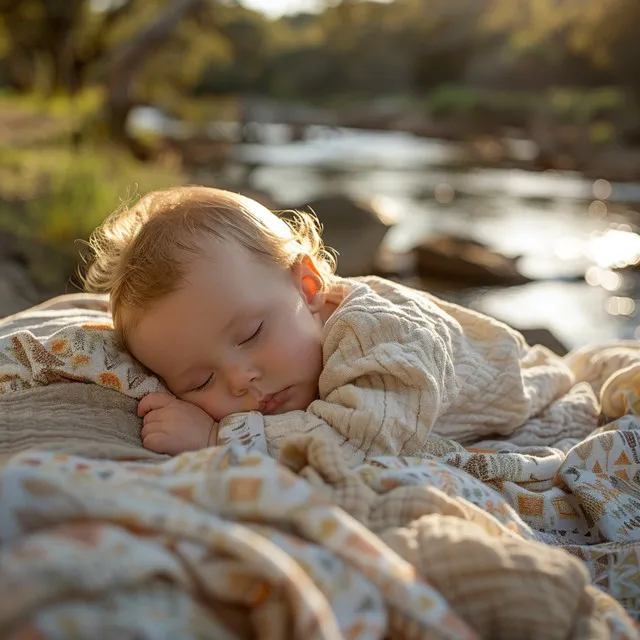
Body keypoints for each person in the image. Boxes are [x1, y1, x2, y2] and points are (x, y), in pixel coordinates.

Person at [84, 186, 584, 466]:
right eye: (199, 381)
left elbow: (358, 444)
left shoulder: (378, 334)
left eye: (251, 334)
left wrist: (219, 440)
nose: (239, 380)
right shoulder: (287, 339)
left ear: (307, 286)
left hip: (539, 399)